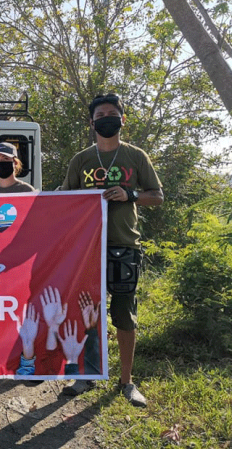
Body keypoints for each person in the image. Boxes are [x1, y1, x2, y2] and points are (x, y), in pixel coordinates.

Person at [61, 93, 163, 407]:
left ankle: (127, 382)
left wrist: (129, 194)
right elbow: (64, 200)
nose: (107, 118)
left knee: (124, 316)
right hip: (87, 249)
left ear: (122, 119)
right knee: (87, 315)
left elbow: (157, 196)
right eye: (100, 114)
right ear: (91, 122)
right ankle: (86, 376)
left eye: (112, 113)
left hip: (124, 246)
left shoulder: (136, 155)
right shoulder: (81, 159)